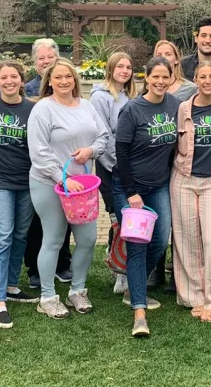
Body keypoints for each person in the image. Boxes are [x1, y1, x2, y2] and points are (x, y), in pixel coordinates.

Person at [27, 58, 109, 319]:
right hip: (49, 183)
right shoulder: (43, 109)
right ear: (49, 81)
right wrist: (62, 179)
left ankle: (77, 290)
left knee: (87, 239)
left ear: (75, 80)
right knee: (53, 239)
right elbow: (38, 152)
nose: (64, 81)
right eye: (58, 77)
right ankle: (48, 296)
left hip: (82, 187)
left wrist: (91, 150)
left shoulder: (86, 105)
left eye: (68, 77)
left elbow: (103, 136)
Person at [115, 57, 181, 337]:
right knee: (138, 245)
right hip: (130, 188)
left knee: (160, 237)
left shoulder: (176, 105)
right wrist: (131, 192)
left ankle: (134, 282)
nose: (161, 81)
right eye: (156, 77)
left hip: (159, 185)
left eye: (165, 77)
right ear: (147, 78)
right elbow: (121, 152)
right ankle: (139, 312)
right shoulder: (133, 109)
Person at [170, 61, 211, 322]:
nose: (207, 81)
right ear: (195, 79)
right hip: (184, 179)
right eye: (202, 77)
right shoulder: (183, 108)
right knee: (187, 240)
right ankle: (193, 297)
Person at [0, 61, 39, 329]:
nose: (8, 81)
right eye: (3, 77)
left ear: (22, 80)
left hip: (27, 181)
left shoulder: (32, 109)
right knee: (2, 235)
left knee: (20, 234)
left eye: (13, 76)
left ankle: (12, 285)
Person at [23, 38, 72, 288]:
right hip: (39, 167)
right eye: (40, 58)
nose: (45, 62)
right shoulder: (28, 89)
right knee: (37, 220)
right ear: (35, 62)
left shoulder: (66, 91)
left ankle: (63, 264)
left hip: (66, 166)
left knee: (64, 218)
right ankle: (34, 268)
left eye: (49, 58)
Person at [90, 51, 137, 296]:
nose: (125, 71)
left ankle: (123, 262)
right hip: (111, 166)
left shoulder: (131, 95)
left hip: (130, 166)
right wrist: (116, 165)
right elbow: (103, 134)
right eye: (120, 66)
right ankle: (119, 270)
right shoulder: (100, 96)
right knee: (117, 219)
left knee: (130, 218)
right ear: (110, 68)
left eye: (128, 67)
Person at [155, 39, 198, 109]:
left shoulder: (191, 89)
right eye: (159, 55)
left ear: (176, 60)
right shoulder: (148, 89)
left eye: (168, 54)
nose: (163, 57)